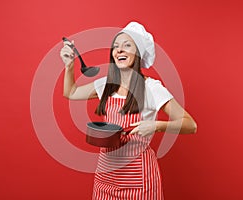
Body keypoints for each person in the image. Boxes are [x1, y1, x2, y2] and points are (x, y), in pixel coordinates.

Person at [60, 21, 197, 200]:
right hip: (106, 179)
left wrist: (156, 125)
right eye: (116, 46)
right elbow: (71, 92)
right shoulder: (106, 84)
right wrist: (69, 66)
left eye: (127, 45)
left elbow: (190, 124)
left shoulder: (151, 88)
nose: (119, 50)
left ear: (138, 53)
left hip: (139, 180)